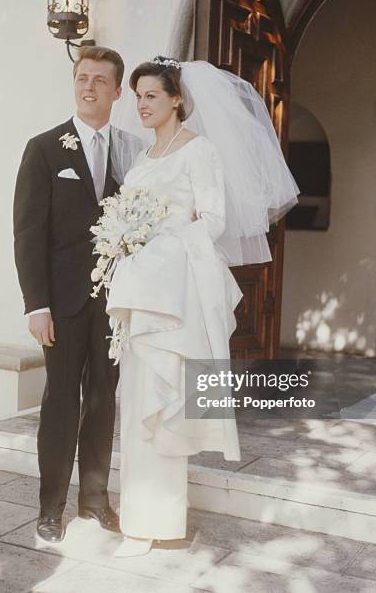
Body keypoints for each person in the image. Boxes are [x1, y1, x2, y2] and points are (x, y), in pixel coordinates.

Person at [105, 57, 299, 557]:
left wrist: (154, 241)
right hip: (141, 294)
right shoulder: (144, 159)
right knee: (137, 408)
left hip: (176, 293)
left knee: (165, 408)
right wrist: (125, 243)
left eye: (151, 95)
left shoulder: (200, 152)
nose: (141, 105)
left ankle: (161, 520)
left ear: (176, 99)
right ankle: (137, 519)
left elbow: (212, 220)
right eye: (138, 96)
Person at [13, 46, 142, 543]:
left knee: (104, 400)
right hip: (60, 305)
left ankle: (94, 500)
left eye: (99, 80)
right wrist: (35, 304)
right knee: (60, 402)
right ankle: (51, 507)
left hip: (115, 303)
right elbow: (28, 232)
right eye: (81, 78)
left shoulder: (132, 152)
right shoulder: (44, 148)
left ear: (115, 91)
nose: (88, 86)